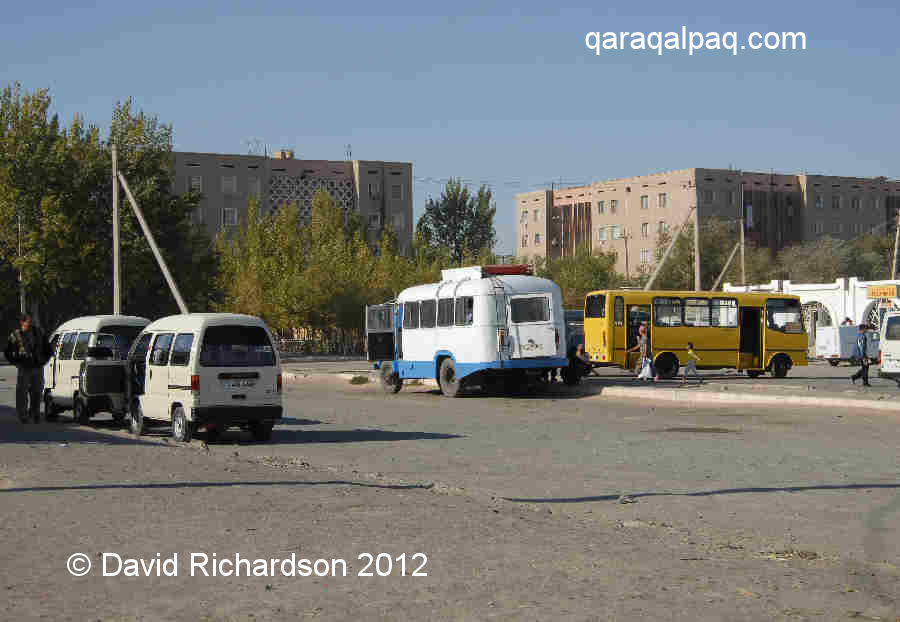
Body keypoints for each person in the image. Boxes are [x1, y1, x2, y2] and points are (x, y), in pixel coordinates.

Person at [4, 313, 52, 423]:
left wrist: (43, 361)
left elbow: (48, 349)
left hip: (37, 368)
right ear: (22, 323)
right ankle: (23, 415)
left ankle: (35, 414)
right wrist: (16, 362)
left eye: (31, 322)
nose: (30, 324)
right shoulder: (16, 335)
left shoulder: (39, 333)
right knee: (22, 393)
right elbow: (7, 352)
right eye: (28, 322)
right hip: (24, 368)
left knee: (37, 392)